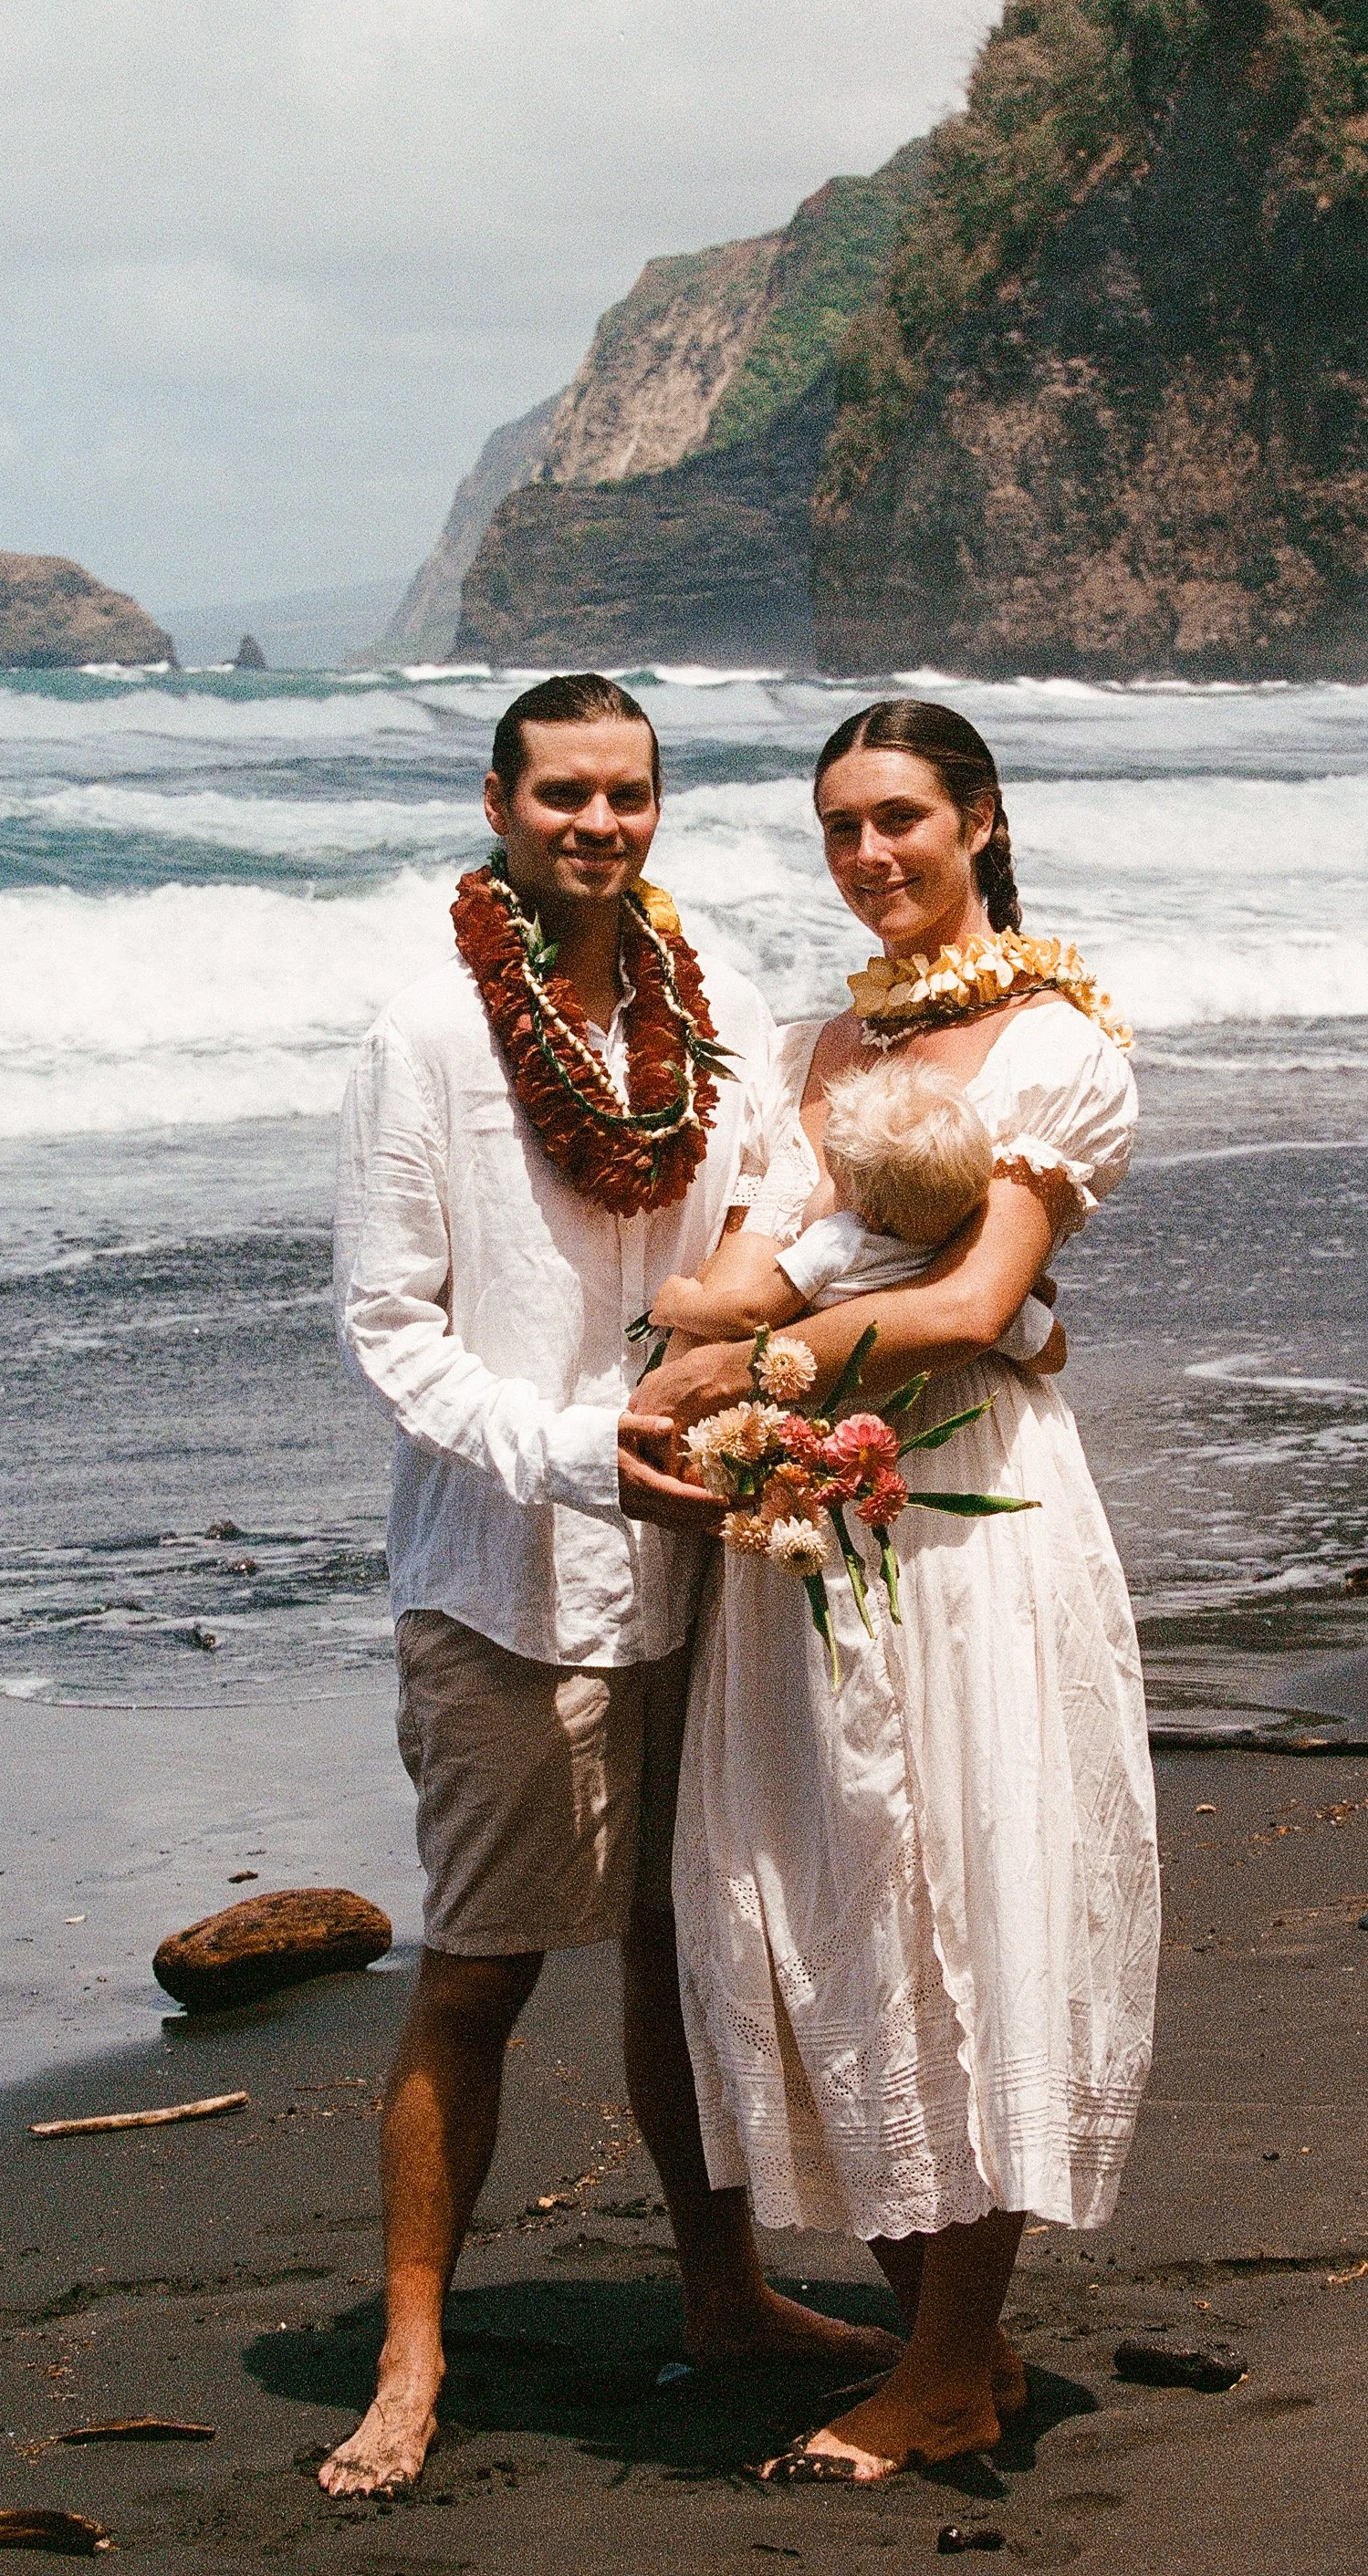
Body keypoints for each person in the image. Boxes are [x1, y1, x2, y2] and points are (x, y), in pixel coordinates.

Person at [322, 673, 896, 2498]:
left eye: (626, 793)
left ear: (656, 804)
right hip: (503, 1568)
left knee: (684, 1946)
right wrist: (575, 1445)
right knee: (482, 1967)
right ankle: (410, 2346)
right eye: (562, 792)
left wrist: (719, 1330)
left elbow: (775, 1180)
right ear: (497, 801)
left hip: (702, 1550)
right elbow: (384, 1323)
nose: (596, 822)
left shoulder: (702, 985)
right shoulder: (427, 1032)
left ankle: (719, 2288)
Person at [635, 696, 1161, 2484]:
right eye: (838, 825)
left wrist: (758, 1352)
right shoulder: (796, 1048)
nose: (868, 856)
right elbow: (716, 1284)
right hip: (799, 1532)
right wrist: (691, 1364)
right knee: (823, 1900)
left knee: (967, 1883)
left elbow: (959, 1302)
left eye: (900, 819)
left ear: (981, 819)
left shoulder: (1054, 1050)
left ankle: (938, 2368)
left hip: (960, 1524)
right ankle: (961, 2339)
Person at [648, 1051, 1067, 1376]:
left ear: (870, 1212)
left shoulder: (840, 1239)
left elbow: (751, 1313)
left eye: (836, 1182)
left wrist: (678, 1306)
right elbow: (1052, 1352)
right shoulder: (959, 1257)